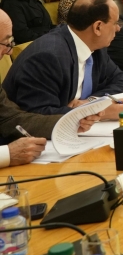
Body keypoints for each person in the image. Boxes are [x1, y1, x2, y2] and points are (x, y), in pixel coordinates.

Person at [0, 9, 102, 165]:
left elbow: (11, 118)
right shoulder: (49, 52)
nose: (10, 52)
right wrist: (7, 154)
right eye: (6, 43)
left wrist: (72, 121)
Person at [2, 0, 123, 116]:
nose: (118, 28)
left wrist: (90, 102)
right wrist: (98, 111)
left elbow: (122, 81)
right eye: (115, 23)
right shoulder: (48, 56)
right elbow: (38, 113)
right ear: (98, 27)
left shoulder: (96, 47)